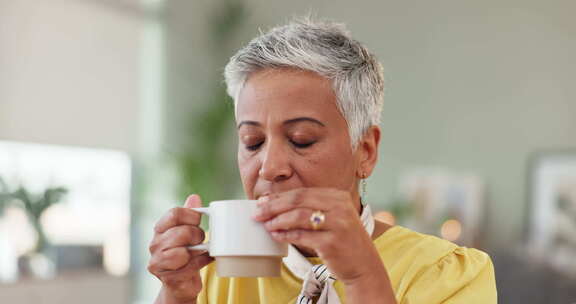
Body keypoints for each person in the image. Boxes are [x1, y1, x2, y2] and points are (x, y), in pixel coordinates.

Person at [148, 18, 497, 304]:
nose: (270, 167)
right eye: (252, 143)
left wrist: (361, 276)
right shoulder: (212, 276)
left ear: (366, 151)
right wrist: (175, 295)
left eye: (302, 140)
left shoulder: (447, 275)